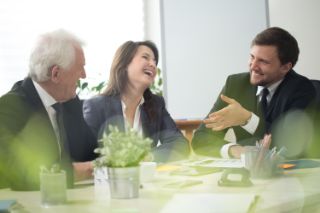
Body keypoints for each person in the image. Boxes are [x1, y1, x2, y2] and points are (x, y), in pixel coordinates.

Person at [192, 27, 316, 159]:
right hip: (243, 174)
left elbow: (289, 145)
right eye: (252, 57)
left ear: (285, 67)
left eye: (263, 61)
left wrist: (248, 119)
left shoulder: (302, 89)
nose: (253, 66)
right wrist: (233, 149)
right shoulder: (235, 84)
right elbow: (201, 138)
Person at [0, 29, 97, 190]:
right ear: (56, 74)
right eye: (80, 68)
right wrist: (83, 170)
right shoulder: (9, 108)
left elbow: (92, 152)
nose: (84, 75)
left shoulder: (69, 101)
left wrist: (119, 156)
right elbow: (22, 173)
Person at [83, 40, 189, 162]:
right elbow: (86, 158)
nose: (153, 65)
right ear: (124, 64)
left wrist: (147, 158)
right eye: (145, 57)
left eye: (155, 61)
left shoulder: (156, 104)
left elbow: (180, 143)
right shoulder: (96, 106)